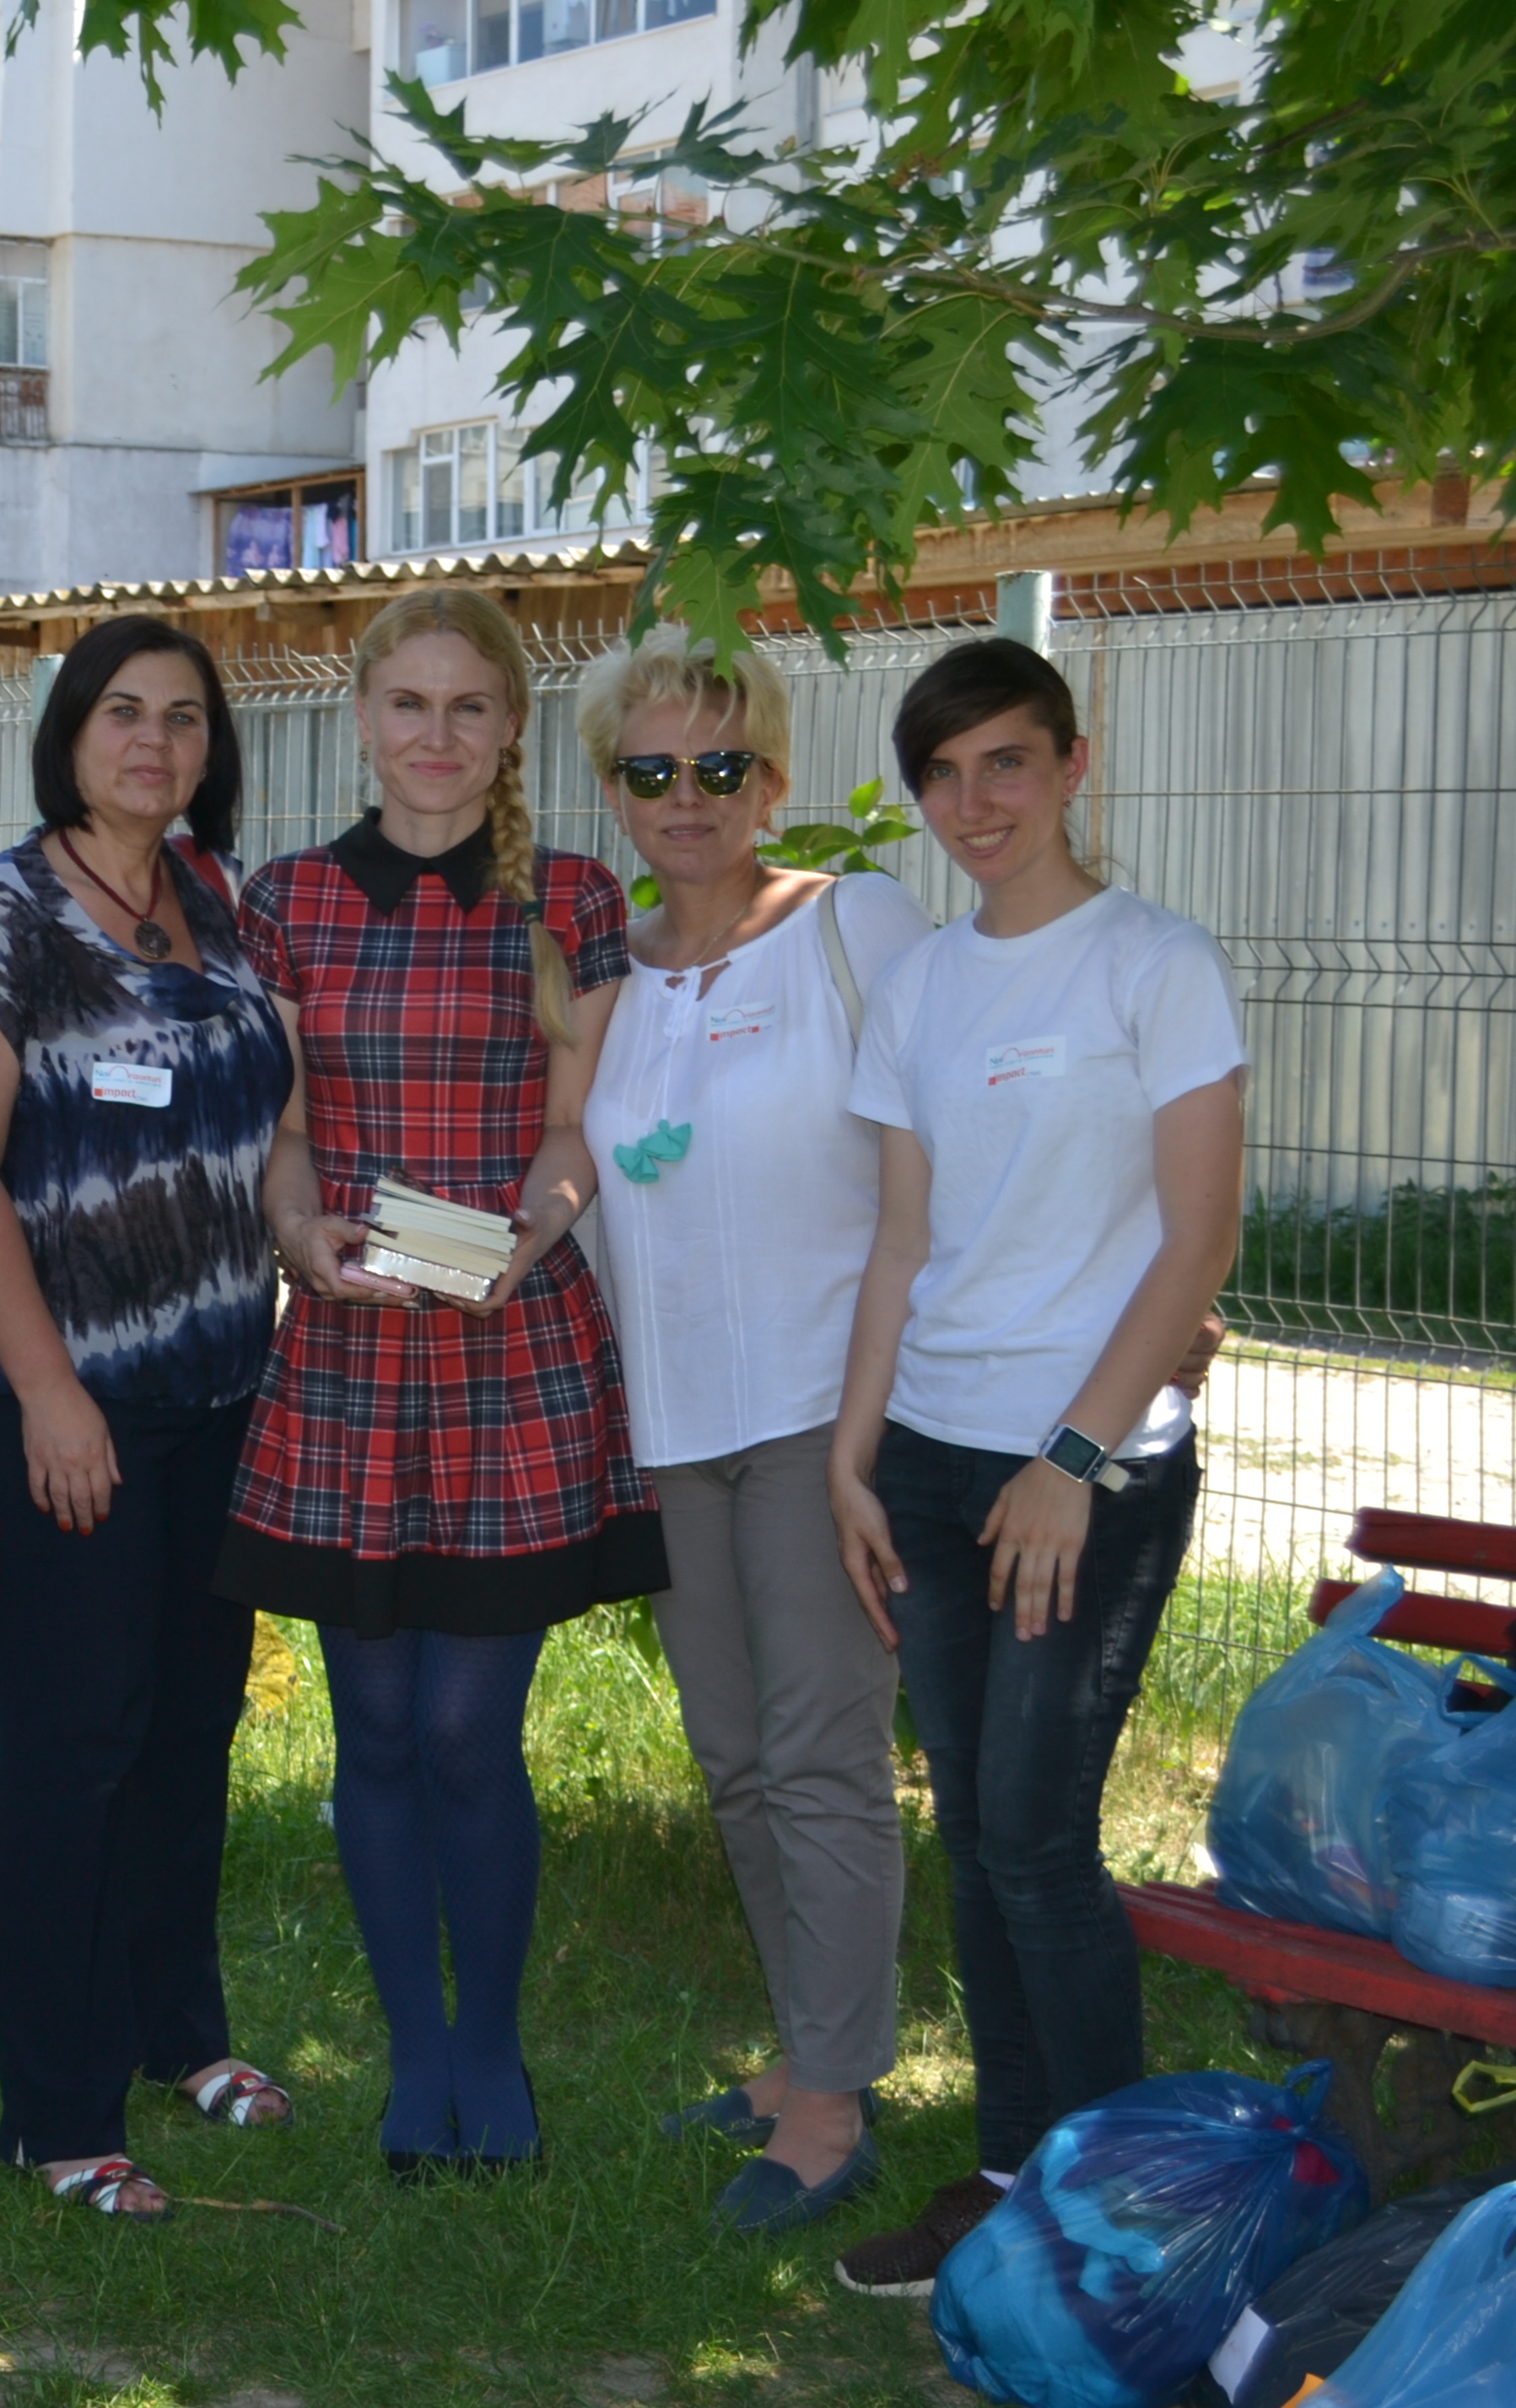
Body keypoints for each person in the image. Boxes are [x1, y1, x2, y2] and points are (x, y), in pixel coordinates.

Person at [220, 585, 665, 2179]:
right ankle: (414, 2053)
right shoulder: (283, 904)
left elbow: (571, 1133)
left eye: (465, 707)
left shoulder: (568, 893)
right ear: (358, 720)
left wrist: (518, 1247)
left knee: (475, 1729)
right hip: (346, 1347)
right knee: (379, 1733)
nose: (434, 735)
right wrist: (296, 1231)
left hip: (507, 1347)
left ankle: (493, 2045)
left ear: (509, 729)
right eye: (405, 704)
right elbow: (277, 1132)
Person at [824, 637, 1245, 2298]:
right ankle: (1012, 2180)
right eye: (942, 772)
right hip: (930, 1461)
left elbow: (1197, 1241)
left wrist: (1073, 1454)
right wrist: (855, 1460)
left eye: (1006, 761)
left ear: (1076, 764)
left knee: (1037, 1834)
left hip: (1091, 1472)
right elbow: (904, 1239)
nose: (973, 801)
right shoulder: (921, 985)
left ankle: (1118, 2225)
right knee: (982, 1839)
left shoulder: (1156, 964)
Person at [0, 613, 300, 2223]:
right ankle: (55, 2107)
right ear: (69, 732)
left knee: (187, 1735)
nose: (154, 742)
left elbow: (264, 1125)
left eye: (185, 719)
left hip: (220, 1393)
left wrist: (309, 1240)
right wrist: (54, 1391)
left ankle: (176, 2031)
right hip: (65, 1407)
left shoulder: (220, 903)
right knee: (69, 1755)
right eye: (123, 713)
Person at [575, 627, 931, 2235]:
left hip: (821, 1413)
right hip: (668, 1423)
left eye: (719, 766)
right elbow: (564, 1181)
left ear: (772, 779)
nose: (686, 798)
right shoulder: (605, 976)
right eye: (650, 771)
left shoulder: (855, 924)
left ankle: (837, 2098)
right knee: (732, 1756)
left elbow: (957, 1150)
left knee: (820, 1754)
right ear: (613, 795)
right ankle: (799, 2056)